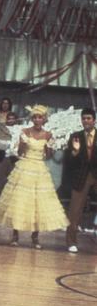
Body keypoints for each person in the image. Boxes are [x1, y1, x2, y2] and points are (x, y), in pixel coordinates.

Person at [0, 105, 68, 248]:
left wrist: (50, 146)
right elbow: (20, 153)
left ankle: (35, 237)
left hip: (39, 168)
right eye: (34, 117)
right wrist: (23, 143)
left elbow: (49, 156)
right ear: (32, 118)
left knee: (38, 203)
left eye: (40, 117)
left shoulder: (47, 134)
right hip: (25, 166)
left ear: (44, 119)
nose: (37, 120)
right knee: (19, 200)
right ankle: (15, 235)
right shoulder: (24, 132)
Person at [64, 108, 97, 253]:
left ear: (94, 120)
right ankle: (71, 242)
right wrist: (75, 152)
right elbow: (68, 160)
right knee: (74, 211)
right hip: (81, 176)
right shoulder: (75, 136)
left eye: (89, 118)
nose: (86, 121)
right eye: (84, 118)